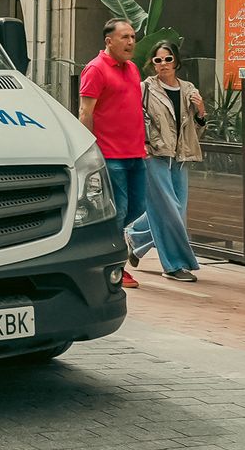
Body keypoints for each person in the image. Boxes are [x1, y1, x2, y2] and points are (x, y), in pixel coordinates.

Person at [128, 41, 207, 282]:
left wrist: (201, 111)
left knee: (175, 209)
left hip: (180, 156)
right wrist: (142, 145)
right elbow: (134, 118)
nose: (163, 64)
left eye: (168, 59)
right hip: (154, 155)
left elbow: (196, 130)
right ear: (152, 63)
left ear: (177, 62)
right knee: (171, 211)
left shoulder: (188, 89)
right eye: (158, 60)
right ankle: (174, 265)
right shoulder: (145, 88)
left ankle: (136, 236)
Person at [79, 19, 146, 289]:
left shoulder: (132, 69)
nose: (131, 42)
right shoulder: (95, 69)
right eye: (125, 37)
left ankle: (113, 244)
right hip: (110, 154)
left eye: (133, 37)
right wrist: (89, 150)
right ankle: (115, 268)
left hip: (135, 153)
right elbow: (85, 112)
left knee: (138, 208)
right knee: (118, 212)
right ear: (109, 41)